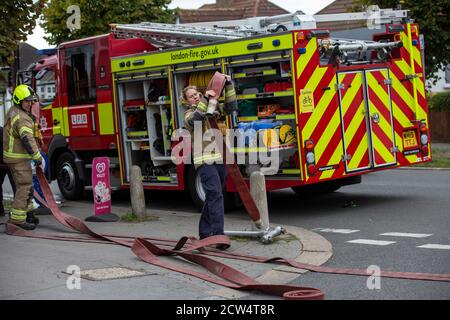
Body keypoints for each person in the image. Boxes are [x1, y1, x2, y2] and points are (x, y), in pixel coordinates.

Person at [183, 76, 237, 249]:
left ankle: (204, 233)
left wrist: (228, 86)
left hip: (221, 157)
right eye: (192, 96)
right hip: (204, 160)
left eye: (197, 94)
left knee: (214, 196)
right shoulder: (189, 115)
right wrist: (206, 98)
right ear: (186, 102)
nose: (196, 97)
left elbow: (231, 107)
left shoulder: (213, 108)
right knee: (215, 194)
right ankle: (218, 235)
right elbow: (198, 119)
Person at [3, 84, 45, 230]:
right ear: (19, 101)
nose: (29, 104)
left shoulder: (14, 111)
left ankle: (29, 214)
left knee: (27, 186)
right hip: (18, 159)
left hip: (14, 157)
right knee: (24, 186)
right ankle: (17, 220)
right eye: (26, 101)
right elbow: (28, 139)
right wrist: (38, 157)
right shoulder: (22, 118)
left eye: (31, 101)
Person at [0, 126, 16, 216]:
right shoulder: (4, 130)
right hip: (11, 162)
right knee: (16, 186)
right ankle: (19, 210)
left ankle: (1, 211)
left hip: (4, 163)